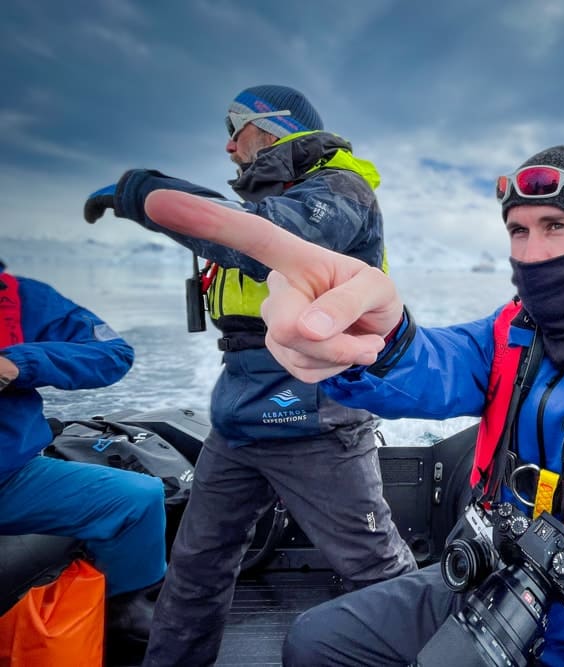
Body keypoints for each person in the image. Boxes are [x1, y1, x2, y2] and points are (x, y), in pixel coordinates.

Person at [139, 145, 564, 666]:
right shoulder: (515, 331)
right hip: (492, 587)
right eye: (518, 233)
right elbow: (425, 362)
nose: (533, 253)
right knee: (317, 640)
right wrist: (364, 339)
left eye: (555, 226)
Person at [82, 85, 417, 666]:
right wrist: (146, 197)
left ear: (276, 127)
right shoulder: (265, 202)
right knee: (196, 567)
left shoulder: (340, 192)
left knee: (375, 569)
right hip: (238, 419)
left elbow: (261, 240)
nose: (229, 144)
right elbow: (240, 222)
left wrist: (143, 192)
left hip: (316, 419)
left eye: (237, 127)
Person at [0, 259, 166, 642]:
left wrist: (17, 363)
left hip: (11, 478)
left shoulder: (22, 298)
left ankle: (125, 612)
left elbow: (111, 353)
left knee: (137, 498)